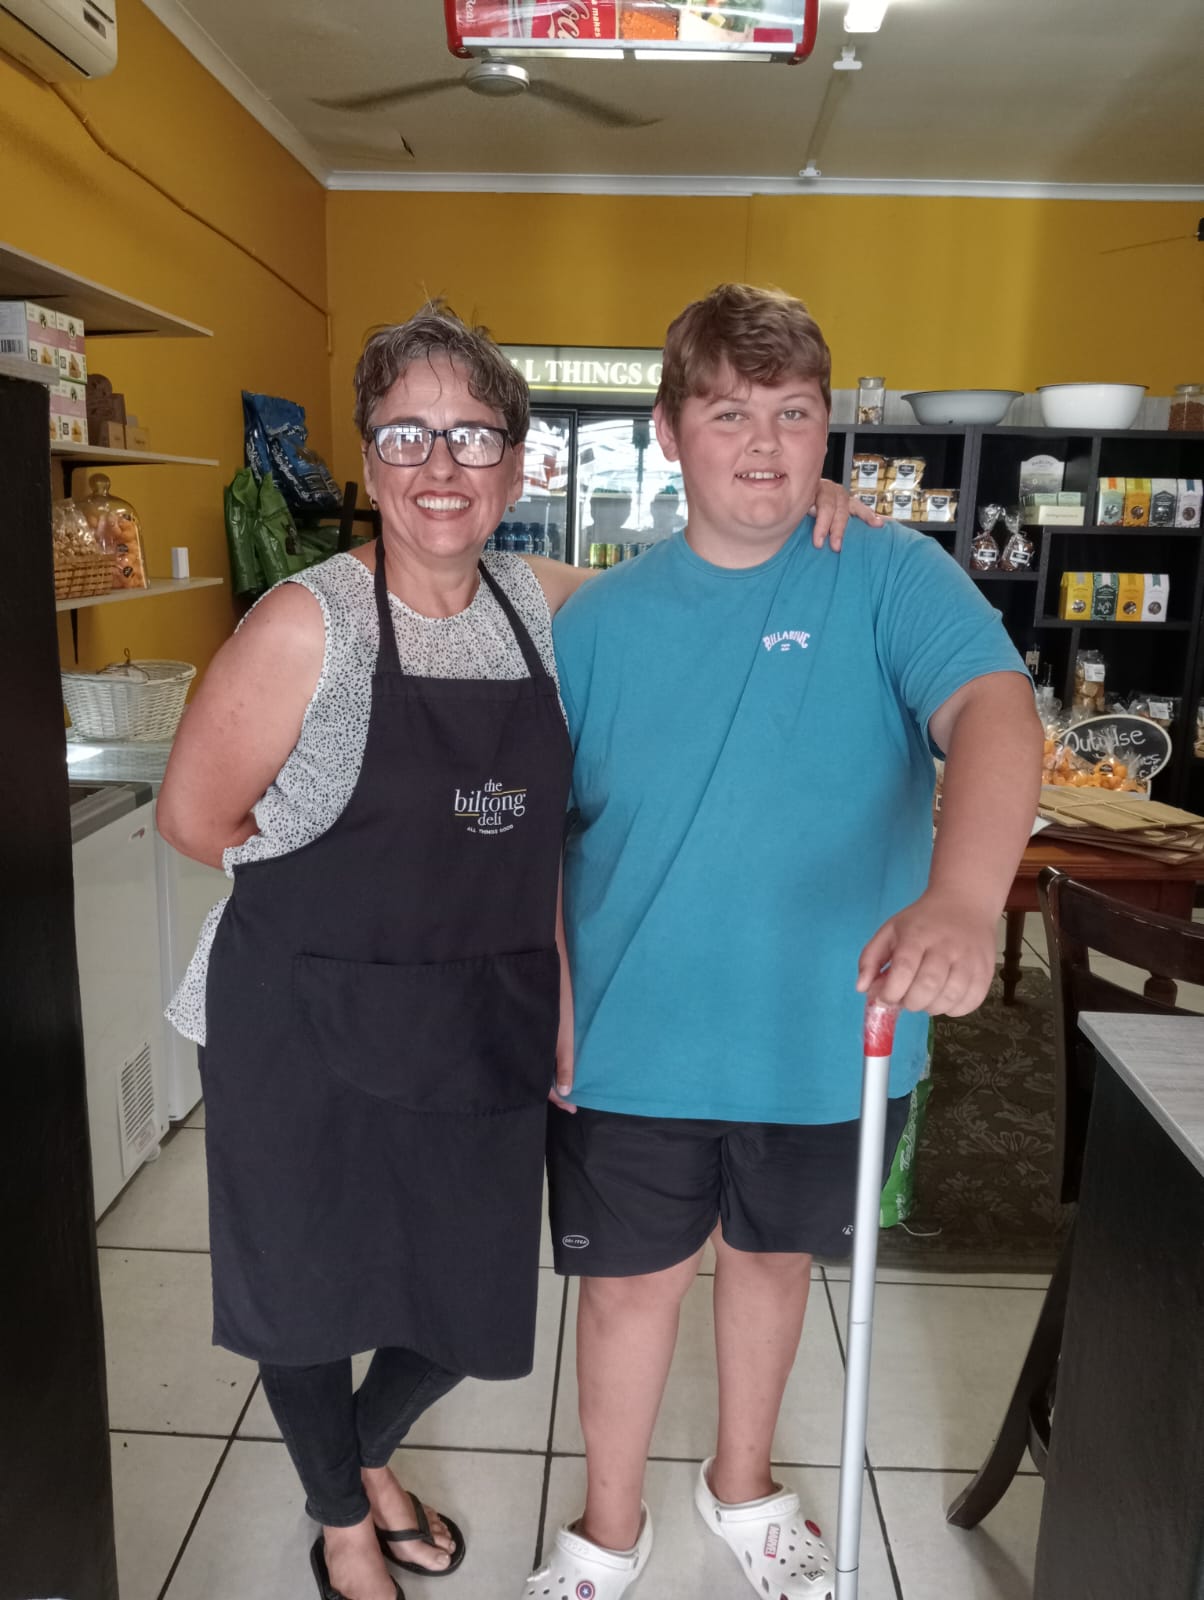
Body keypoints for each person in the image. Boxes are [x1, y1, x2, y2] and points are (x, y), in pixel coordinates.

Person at [158, 302, 869, 1600]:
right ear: (369, 462)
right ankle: (345, 1523)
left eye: (474, 437)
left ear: (521, 463)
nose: (441, 466)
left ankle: (361, 1455)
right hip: (297, 1014)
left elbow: (707, 586)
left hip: (471, 1010)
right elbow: (194, 818)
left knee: (462, 1280)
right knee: (305, 1287)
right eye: (407, 435)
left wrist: (819, 520)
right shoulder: (305, 626)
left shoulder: (548, 606)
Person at [530, 283, 1044, 1600]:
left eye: (794, 414)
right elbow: (541, 839)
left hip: (827, 1036)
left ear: (829, 437)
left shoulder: (884, 573)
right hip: (634, 1038)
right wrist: (554, 998)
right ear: (668, 432)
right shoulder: (594, 624)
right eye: (729, 413)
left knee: (769, 1271)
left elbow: (993, 709)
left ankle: (742, 1489)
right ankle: (606, 1524)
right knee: (632, 1291)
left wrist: (964, 895)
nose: (764, 443)